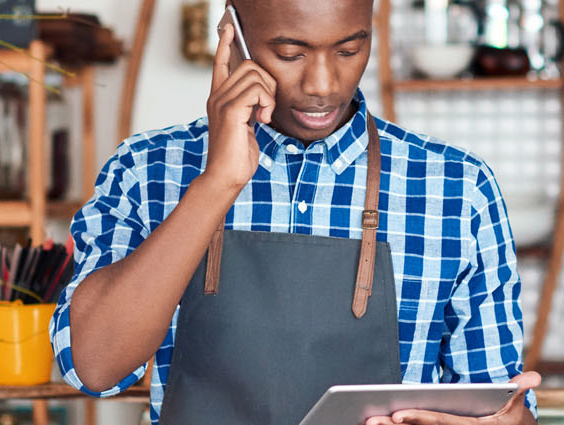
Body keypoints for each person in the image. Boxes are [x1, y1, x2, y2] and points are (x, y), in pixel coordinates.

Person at [49, 0, 538, 423]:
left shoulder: (458, 188)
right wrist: (217, 181)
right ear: (232, 36)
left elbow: (496, 402)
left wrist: (511, 421)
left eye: (349, 50)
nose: (323, 84)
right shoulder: (145, 170)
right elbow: (94, 368)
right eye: (290, 53)